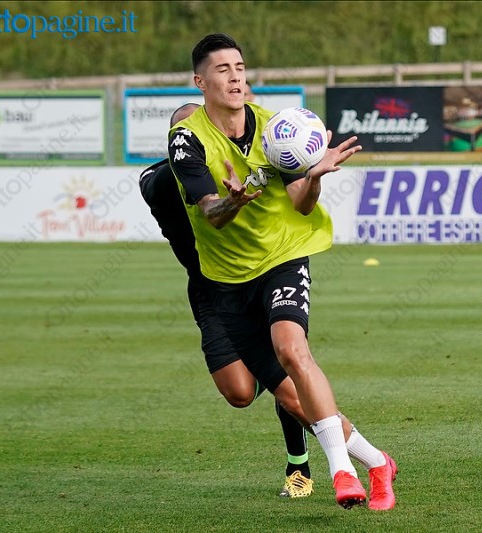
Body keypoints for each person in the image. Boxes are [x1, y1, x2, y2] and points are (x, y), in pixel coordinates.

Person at [167, 33, 397, 510]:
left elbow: (301, 204)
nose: (235, 77)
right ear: (200, 81)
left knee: (293, 349)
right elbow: (209, 211)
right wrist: (231, 202)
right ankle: (378, 462)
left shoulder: (278, 129)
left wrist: (313, 177)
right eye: (223, 70)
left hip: (283, 256)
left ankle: (342, 473)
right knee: (292, 399)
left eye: (240, 67)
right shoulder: (187, 139)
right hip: (227, 278)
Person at [140, 103, 314, 499]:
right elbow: (203, 203)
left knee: (285, 372)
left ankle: (299, 466)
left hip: (259, 274)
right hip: (211, 289)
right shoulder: (157, 181)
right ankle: (272, 370)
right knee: (239, 393)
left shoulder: (239, 160)